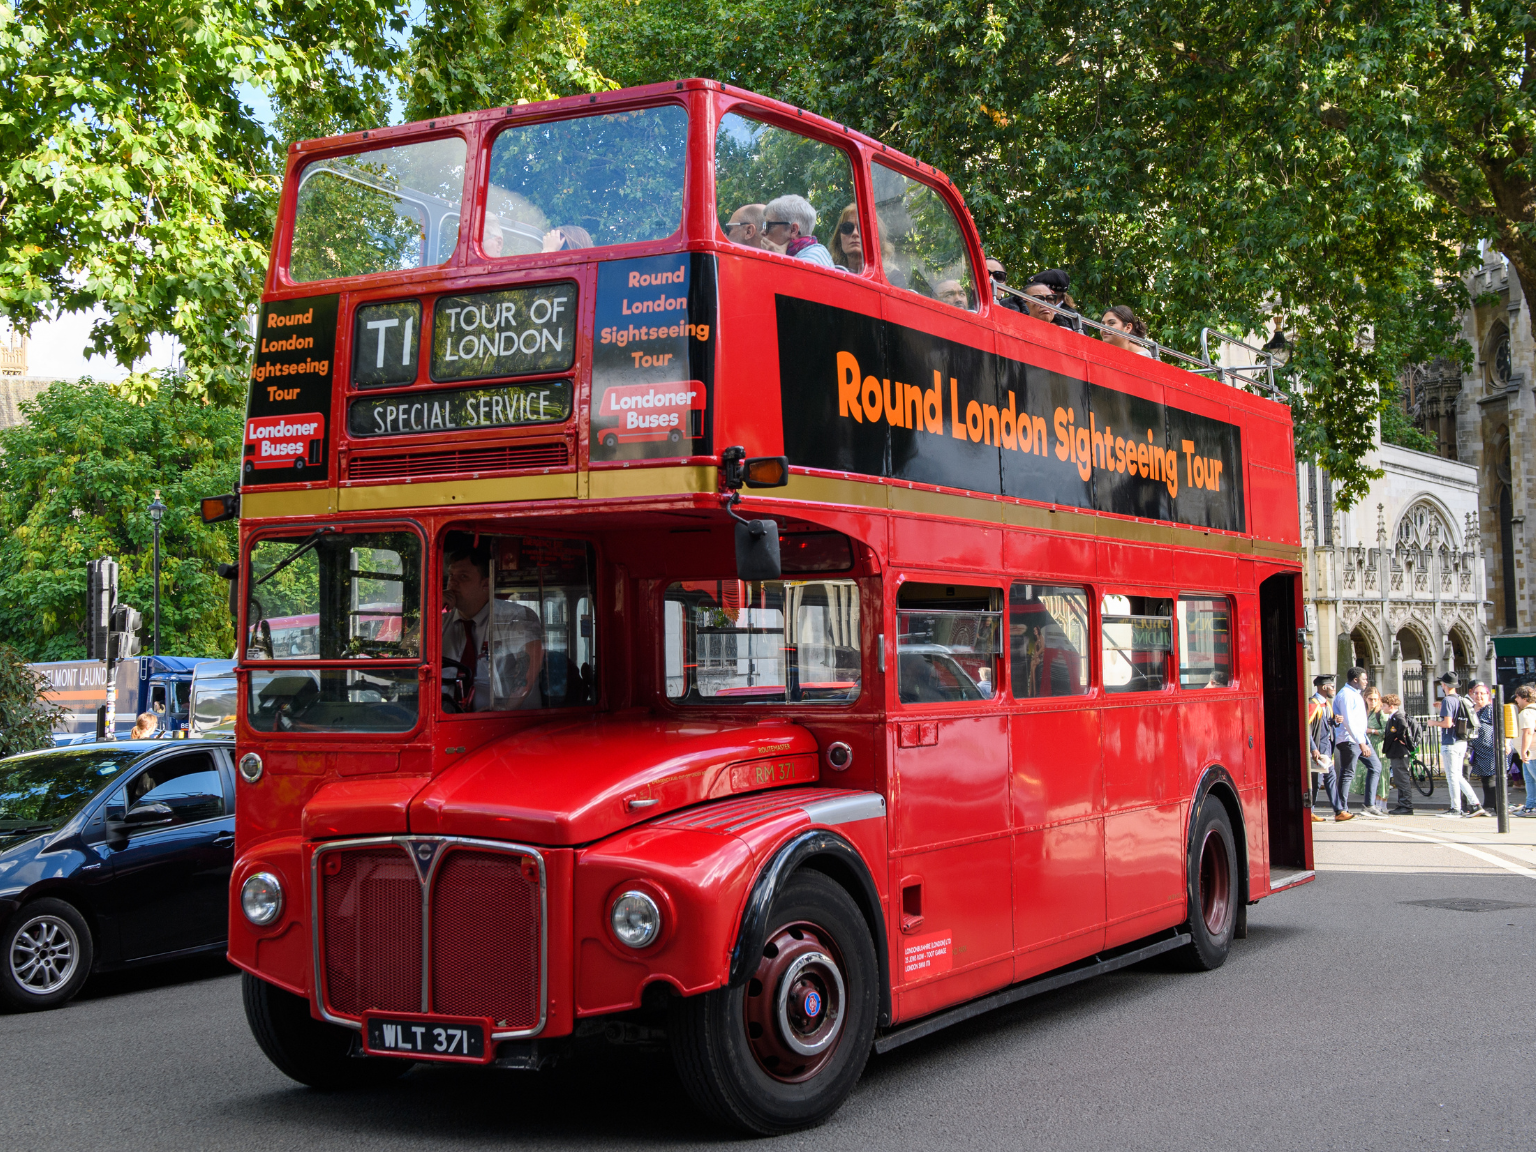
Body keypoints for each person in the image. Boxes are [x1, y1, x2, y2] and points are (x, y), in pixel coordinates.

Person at [441, 534, 544, 712]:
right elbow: (410, 652)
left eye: (463, 577)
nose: (452, 583)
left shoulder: (514, 616)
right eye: (451, 575)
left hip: (505, 725)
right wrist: (430, 609)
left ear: (486, 584)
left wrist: (504, 709)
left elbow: (531, 660)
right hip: (448, 719)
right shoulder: (440, 618)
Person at [1435, 672, 1485, 817]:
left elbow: (1447, 723)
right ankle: (1475, 804)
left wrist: (1433, 722)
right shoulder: (1460, 699)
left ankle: (1456, 808)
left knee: (1452, 776)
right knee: (1457, 775)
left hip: (1450, 742)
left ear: (1444, 685)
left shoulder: (1447, 700)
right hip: (1461, 741)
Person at [1330, 667, 1368, 820]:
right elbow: (1348, 722)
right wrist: (1361, 742)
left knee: (1375, 766)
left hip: (1360, 738)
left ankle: (1370, 804)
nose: (1366, 682)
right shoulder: (1346, 695)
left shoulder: (1355, 694)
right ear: (1355, 680)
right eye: (1364, 679)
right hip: (1349, 739)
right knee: (1347, 773)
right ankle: (1342, 809)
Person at [762, 195, 834, 266]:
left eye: (769, 226)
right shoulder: (796, 254)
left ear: (793, 230)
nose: (762, 232)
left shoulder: (814, 256)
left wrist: (780, 260)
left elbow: (798, 278)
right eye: (764, 225)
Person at [1380, 692, 1419, 815]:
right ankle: (1402, 804)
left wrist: (1400, 738)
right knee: (1399, 779)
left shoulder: (1398, 716)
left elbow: (1403, 727)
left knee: (1402, 779)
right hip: (1396, 752)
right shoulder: (1393, 717)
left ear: (1391, 706)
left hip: (1400, 752)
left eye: (1384, 705)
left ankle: (1406, 806)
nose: (1382, 708)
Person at [1466, 681, 1498, 815]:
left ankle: (1492, 806)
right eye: (1476, 693)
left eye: (1482, 693)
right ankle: (1490, 805)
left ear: (1488, 695)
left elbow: (1499, 726)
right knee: (1485, 778)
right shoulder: (1473, 709)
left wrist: (1506, 743)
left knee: (1491, 777)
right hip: (1478, 750)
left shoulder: (1490, 709)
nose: (1479, 696)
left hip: (1491, 749)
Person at [1307, 675, 1336, 822]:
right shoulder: (1313, 704)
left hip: (1327, 748)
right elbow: (1307, 728)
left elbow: (1327, 726)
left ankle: (1339, 810)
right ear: (1324, 687)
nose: (1334, 689)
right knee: (1316, 782)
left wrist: (1335, 721)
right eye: (1332, 686)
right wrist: (1313, 748)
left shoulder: (1326, 704)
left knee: (1331, 779)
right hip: (1318, 749)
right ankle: (1310, 811)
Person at [1360, 685, 1390, 814]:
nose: (1373, 702)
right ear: (1365, 698)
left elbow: (1386, 731)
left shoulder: (1380, 713)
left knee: (1382, 776)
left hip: (1379, 747)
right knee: (1371, 776)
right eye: (1370, 699)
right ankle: (1371, 804)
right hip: (1367, 746)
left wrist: (1371, 731)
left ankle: (1381, 805)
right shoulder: (1363, 712)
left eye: (1375, 699)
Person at [1512, 684, 1536, 815]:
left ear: (1524, 698)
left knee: (1532, 780)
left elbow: (1528, 732)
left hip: (1532, 752)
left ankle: (1532, 806)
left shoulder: (1527, 712)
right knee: (1529, 781)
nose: (1516, 700)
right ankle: (1531, 806)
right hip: (1530, 753)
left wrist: (1523, 751)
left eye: (1518, 697)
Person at [829, 205, 864, 272]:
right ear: (839, 237)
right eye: (847, 228)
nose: (855, 233)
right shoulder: (832, 273)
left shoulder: (889, 276)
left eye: (861, 228)